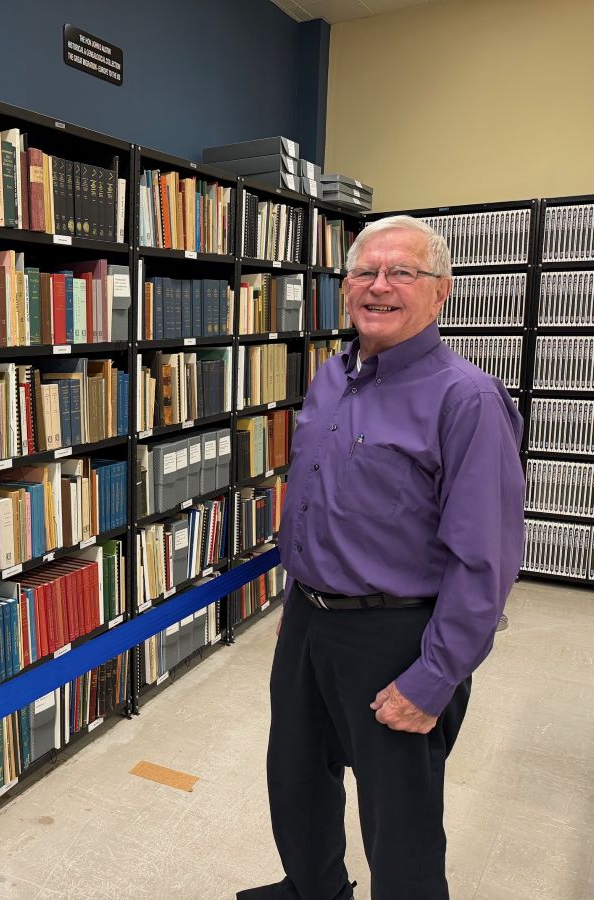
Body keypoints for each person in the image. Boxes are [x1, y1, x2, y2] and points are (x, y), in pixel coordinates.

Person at [238, 216, 525, 900]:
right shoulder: (331, 379)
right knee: (297, 775)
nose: (380, 286)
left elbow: (487, 558)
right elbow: (316, 501)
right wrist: (297, 602)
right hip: (310, 619)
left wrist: (435, 678)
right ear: (345, 289)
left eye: (402, 272)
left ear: (440, 292)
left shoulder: (466, 400)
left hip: (398, 634)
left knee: (400, 822)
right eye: (365, 272)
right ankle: (313, 889)